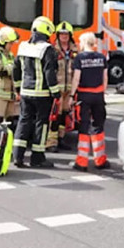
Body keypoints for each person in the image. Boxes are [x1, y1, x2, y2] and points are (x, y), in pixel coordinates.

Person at [12, 16, 60, 169]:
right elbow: (49, 73)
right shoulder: (47, 49)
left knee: (23, 121)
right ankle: (37, 158)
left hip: (26, 93)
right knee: (41, 124)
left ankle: (17, 156)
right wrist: (56, 93)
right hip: (42, 94)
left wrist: (18, 88)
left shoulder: (22, 47)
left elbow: (16, 69)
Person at [69, 32, 110, 172]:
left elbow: (76, 79)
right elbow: (105, 79)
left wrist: (71, 95)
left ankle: (82, 162)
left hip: (84, 96)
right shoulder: (101, 57)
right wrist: (101, 93)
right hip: (98, 96)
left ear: (84, 43)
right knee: (98, 126)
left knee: (84, 127)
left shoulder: (79, 58)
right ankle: (100, 160)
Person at [47, 21, 77, 153]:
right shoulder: (52, 49)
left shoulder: (75, 50)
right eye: (61, 34)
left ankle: (61, 138)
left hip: (69, 89)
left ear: (70, 35)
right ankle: (51, 142)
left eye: (66, 34)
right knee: (54, 117)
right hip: (56, 89)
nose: (64, 36)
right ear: (57, 35)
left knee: (65, 115)